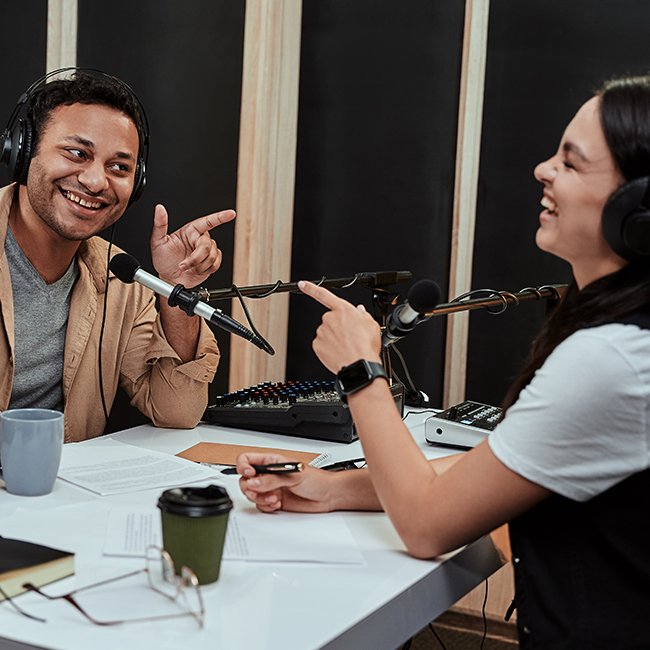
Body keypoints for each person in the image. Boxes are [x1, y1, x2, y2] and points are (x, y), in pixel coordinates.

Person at [237, 75, 650, 648]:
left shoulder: (613, 359)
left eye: (571, 162)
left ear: (639, 210)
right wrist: (331, 489)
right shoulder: (621, 340)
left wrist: (361, 370)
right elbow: (491, 477)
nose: (543, 170)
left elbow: (427, 525)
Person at [0, 69, 235, 442]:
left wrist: (176, 290)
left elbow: (178, 411)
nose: (95, 182)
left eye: (119, 168)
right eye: (77, 153)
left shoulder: (122, 281)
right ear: (22, 151)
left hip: (55, 479)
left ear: (136, 184)